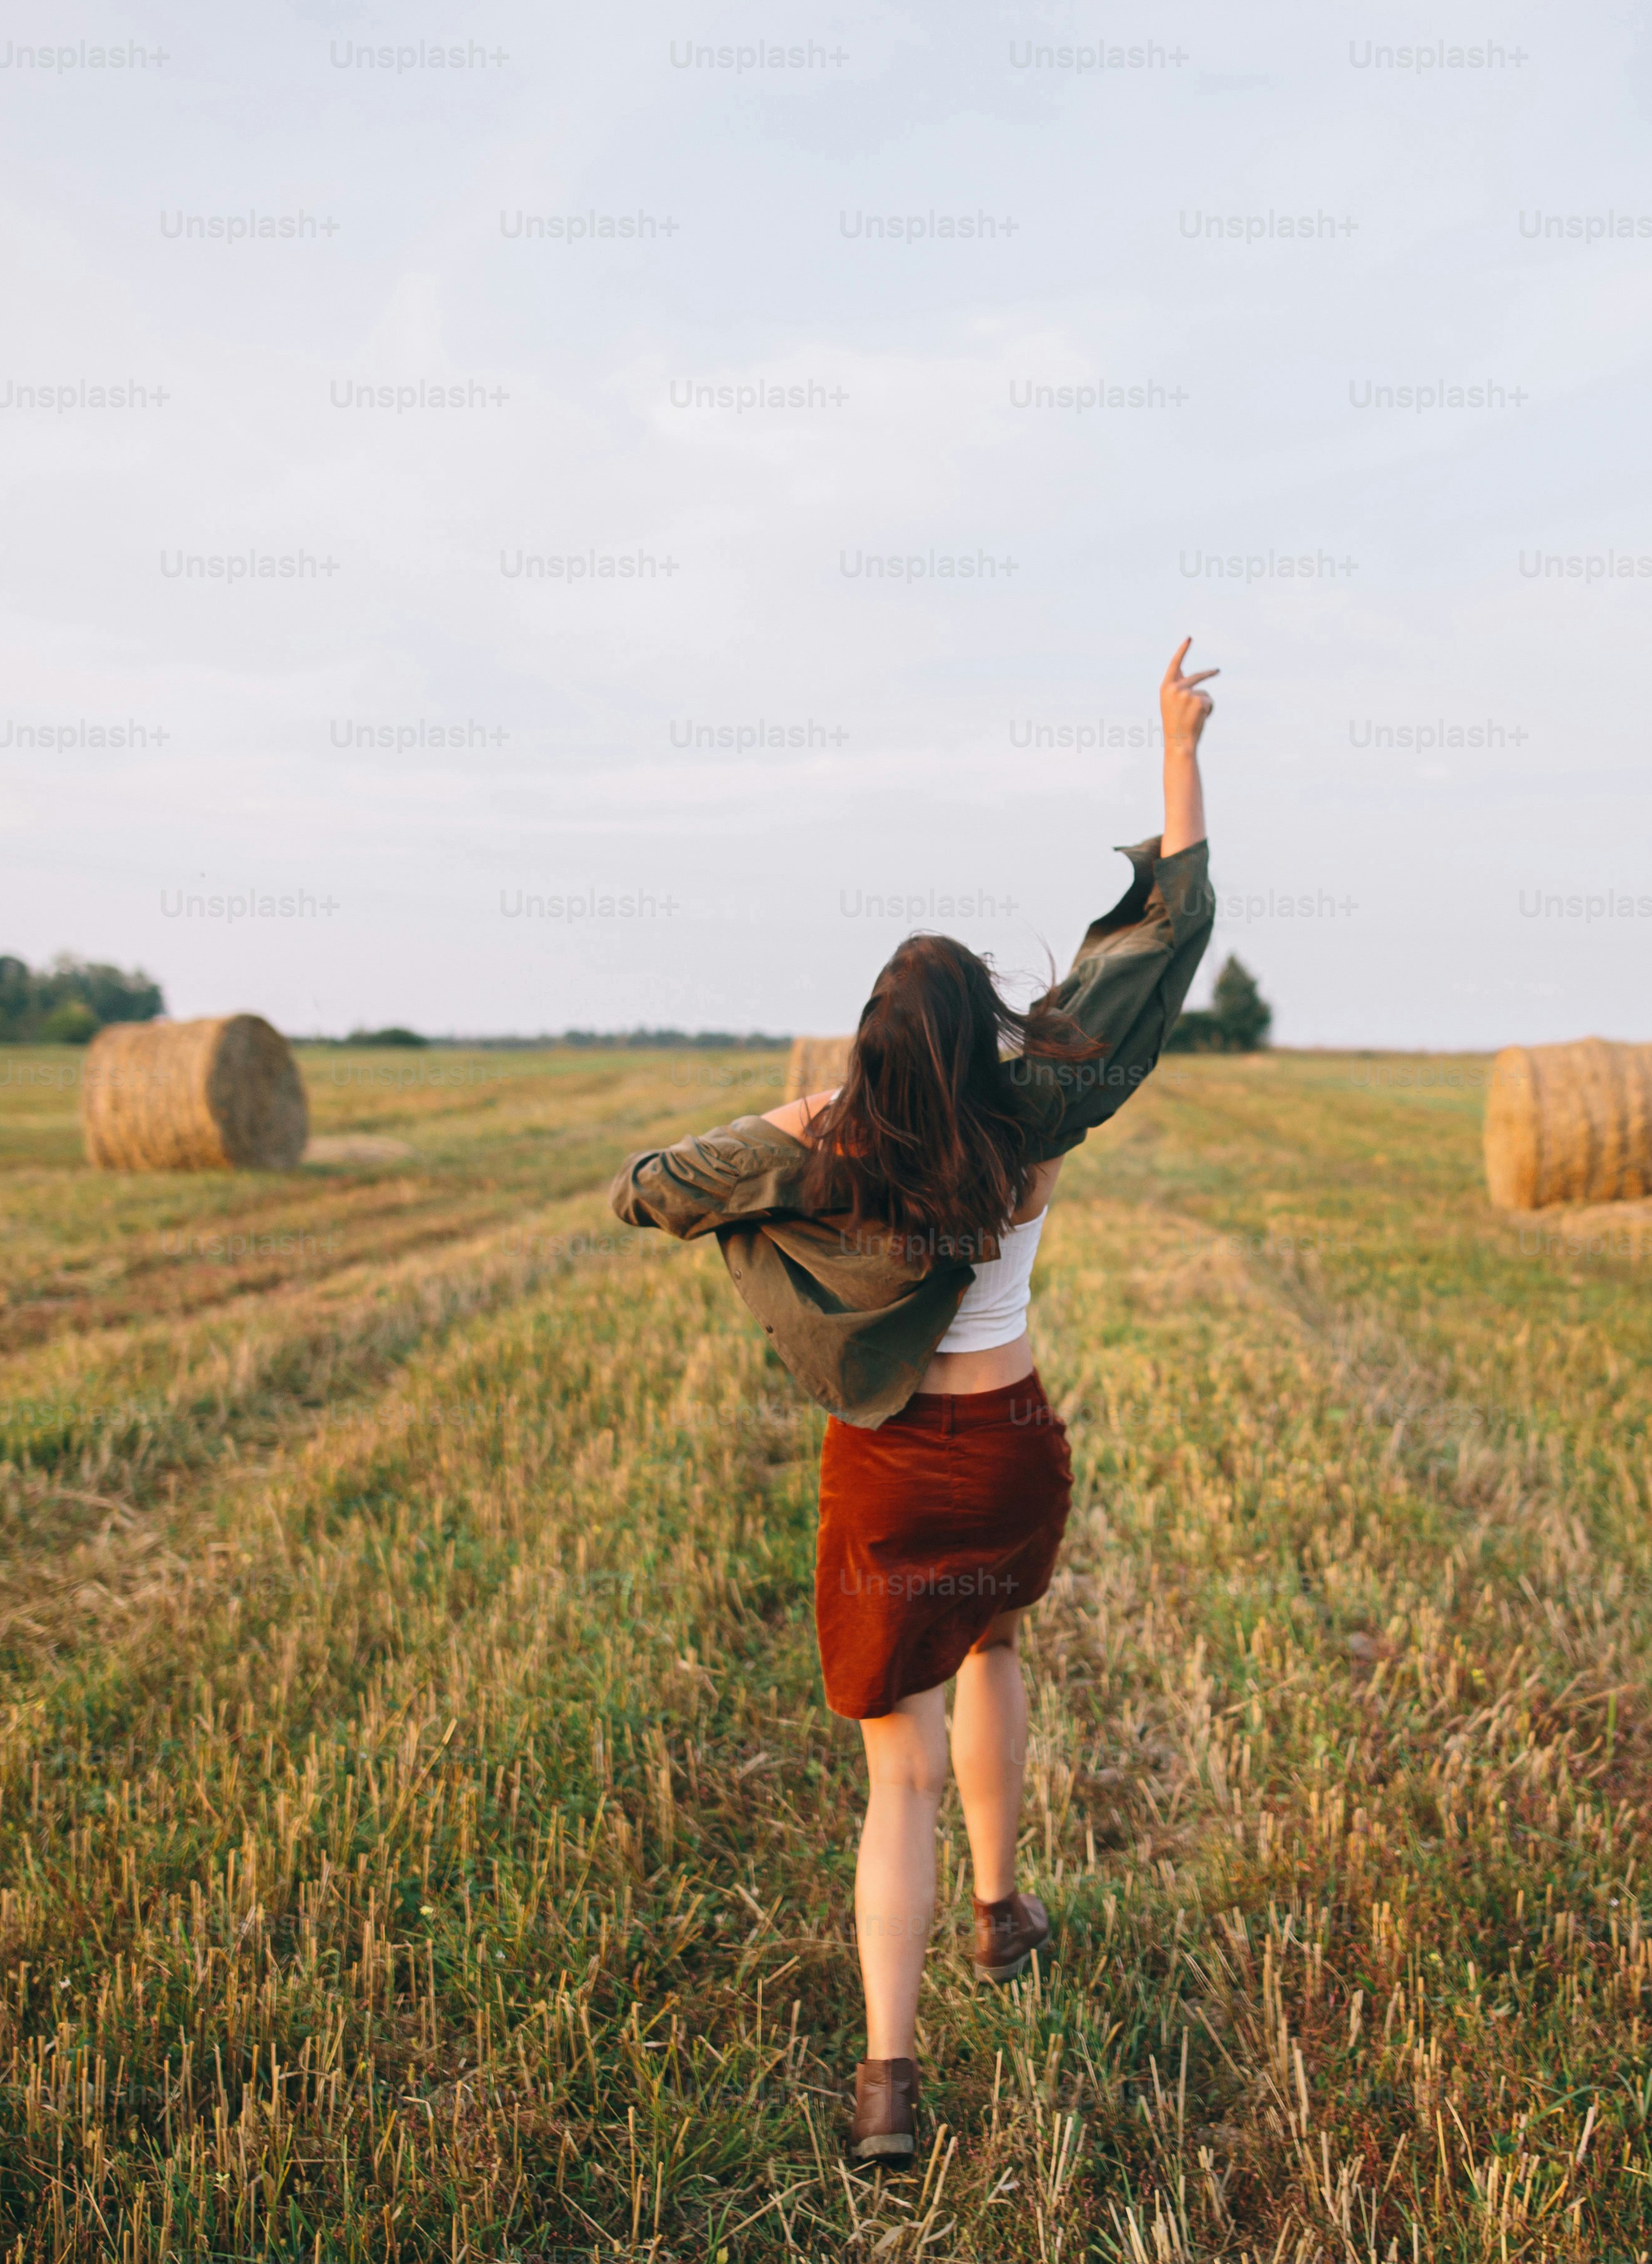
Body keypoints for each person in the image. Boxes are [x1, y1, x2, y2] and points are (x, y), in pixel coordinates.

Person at [611, 641, 1219, 2163]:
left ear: (874, 1050)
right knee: (995, 1641)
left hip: (889, 1468)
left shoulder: (832, 1144)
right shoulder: (1040, 1107)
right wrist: (1175, 746)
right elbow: (1165, 937)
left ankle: (887, 2081)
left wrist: (796, 1115)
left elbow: (649, 1189)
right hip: (1011, 1452)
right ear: (988, 1030)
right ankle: (1003, 1914)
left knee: (899, 1778)